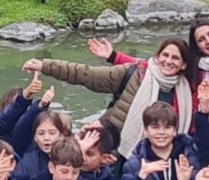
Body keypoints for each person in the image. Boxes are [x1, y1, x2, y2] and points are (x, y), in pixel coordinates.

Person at [25, 37, 193, 160]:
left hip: (168, 156)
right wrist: (45, 66)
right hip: (121, 154)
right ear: (157, 57)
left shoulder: (187, 89)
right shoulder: (136, 73)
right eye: (165, 55)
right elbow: (86, 74)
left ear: (184, 64)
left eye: (175, 58)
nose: (168, 61)